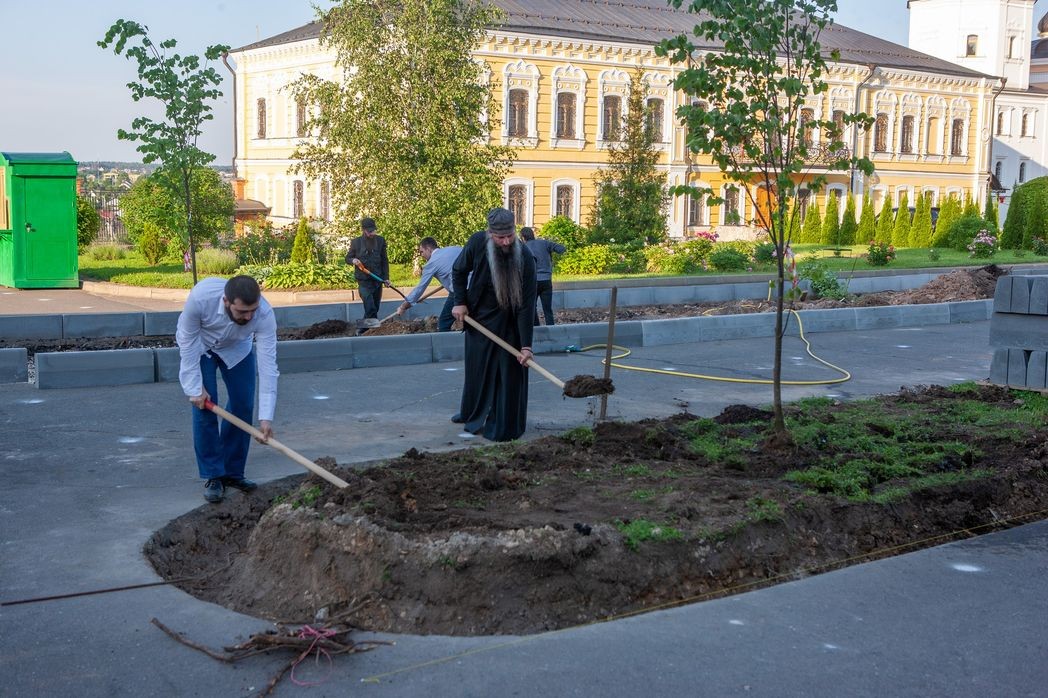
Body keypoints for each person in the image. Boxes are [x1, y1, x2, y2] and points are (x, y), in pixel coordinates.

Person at [176, 275, 279, 503]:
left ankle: (232, 472)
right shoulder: (200, 299)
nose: (249, 317)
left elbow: (268, 366)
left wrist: (266, 418)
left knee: (243, 404)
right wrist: (194, 387)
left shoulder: (264, 314)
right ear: (226, 301)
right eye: (242, 312)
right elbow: (187, 342)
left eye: (252, 311)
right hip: (201, 347)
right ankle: (214, 474)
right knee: (204, 407)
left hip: (237, 348)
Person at [451, 208, 537, 442]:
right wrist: (459, 302)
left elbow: (527, 305)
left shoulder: (525, 257)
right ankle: (472, 412)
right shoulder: (477, 243)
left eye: (510, 236)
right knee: (477, 369)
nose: (506, 242)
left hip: (511, 321)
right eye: (500, 237)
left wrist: (526, 346)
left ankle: (503, 420)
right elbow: (458, 271)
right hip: (479, 318)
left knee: (507, 372)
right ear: (490, 234)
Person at [396, 237, 462, 332]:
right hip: (477, 285)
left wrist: (403, 307)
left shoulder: (431, 263)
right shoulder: (454, 249)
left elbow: (420, 288)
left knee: (443, 324)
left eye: (422, 252)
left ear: (428, 249)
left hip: (459, 291)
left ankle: (445, 341)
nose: (421, 255)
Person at [346, 217, 390, 319]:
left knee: (375, 308)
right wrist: (353, 260)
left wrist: (386, 278)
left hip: (377, 280)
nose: (372, 233)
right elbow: (347, 258)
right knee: (370, 308)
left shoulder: (380, 241)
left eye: (373, 230)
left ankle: (367, 327)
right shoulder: (356, 242)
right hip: (364, 282)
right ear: (363, 230)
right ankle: (368, 327)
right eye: (369, 231)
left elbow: (384, 261)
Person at [521, 226, 565, 325]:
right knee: (547, 309)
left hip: (533, 282)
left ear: (523, 237)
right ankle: (551, 329)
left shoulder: (524, 247)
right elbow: (561, 249)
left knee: (532, 307)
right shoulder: (544, 243)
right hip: (546, 280)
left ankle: (537, 327)